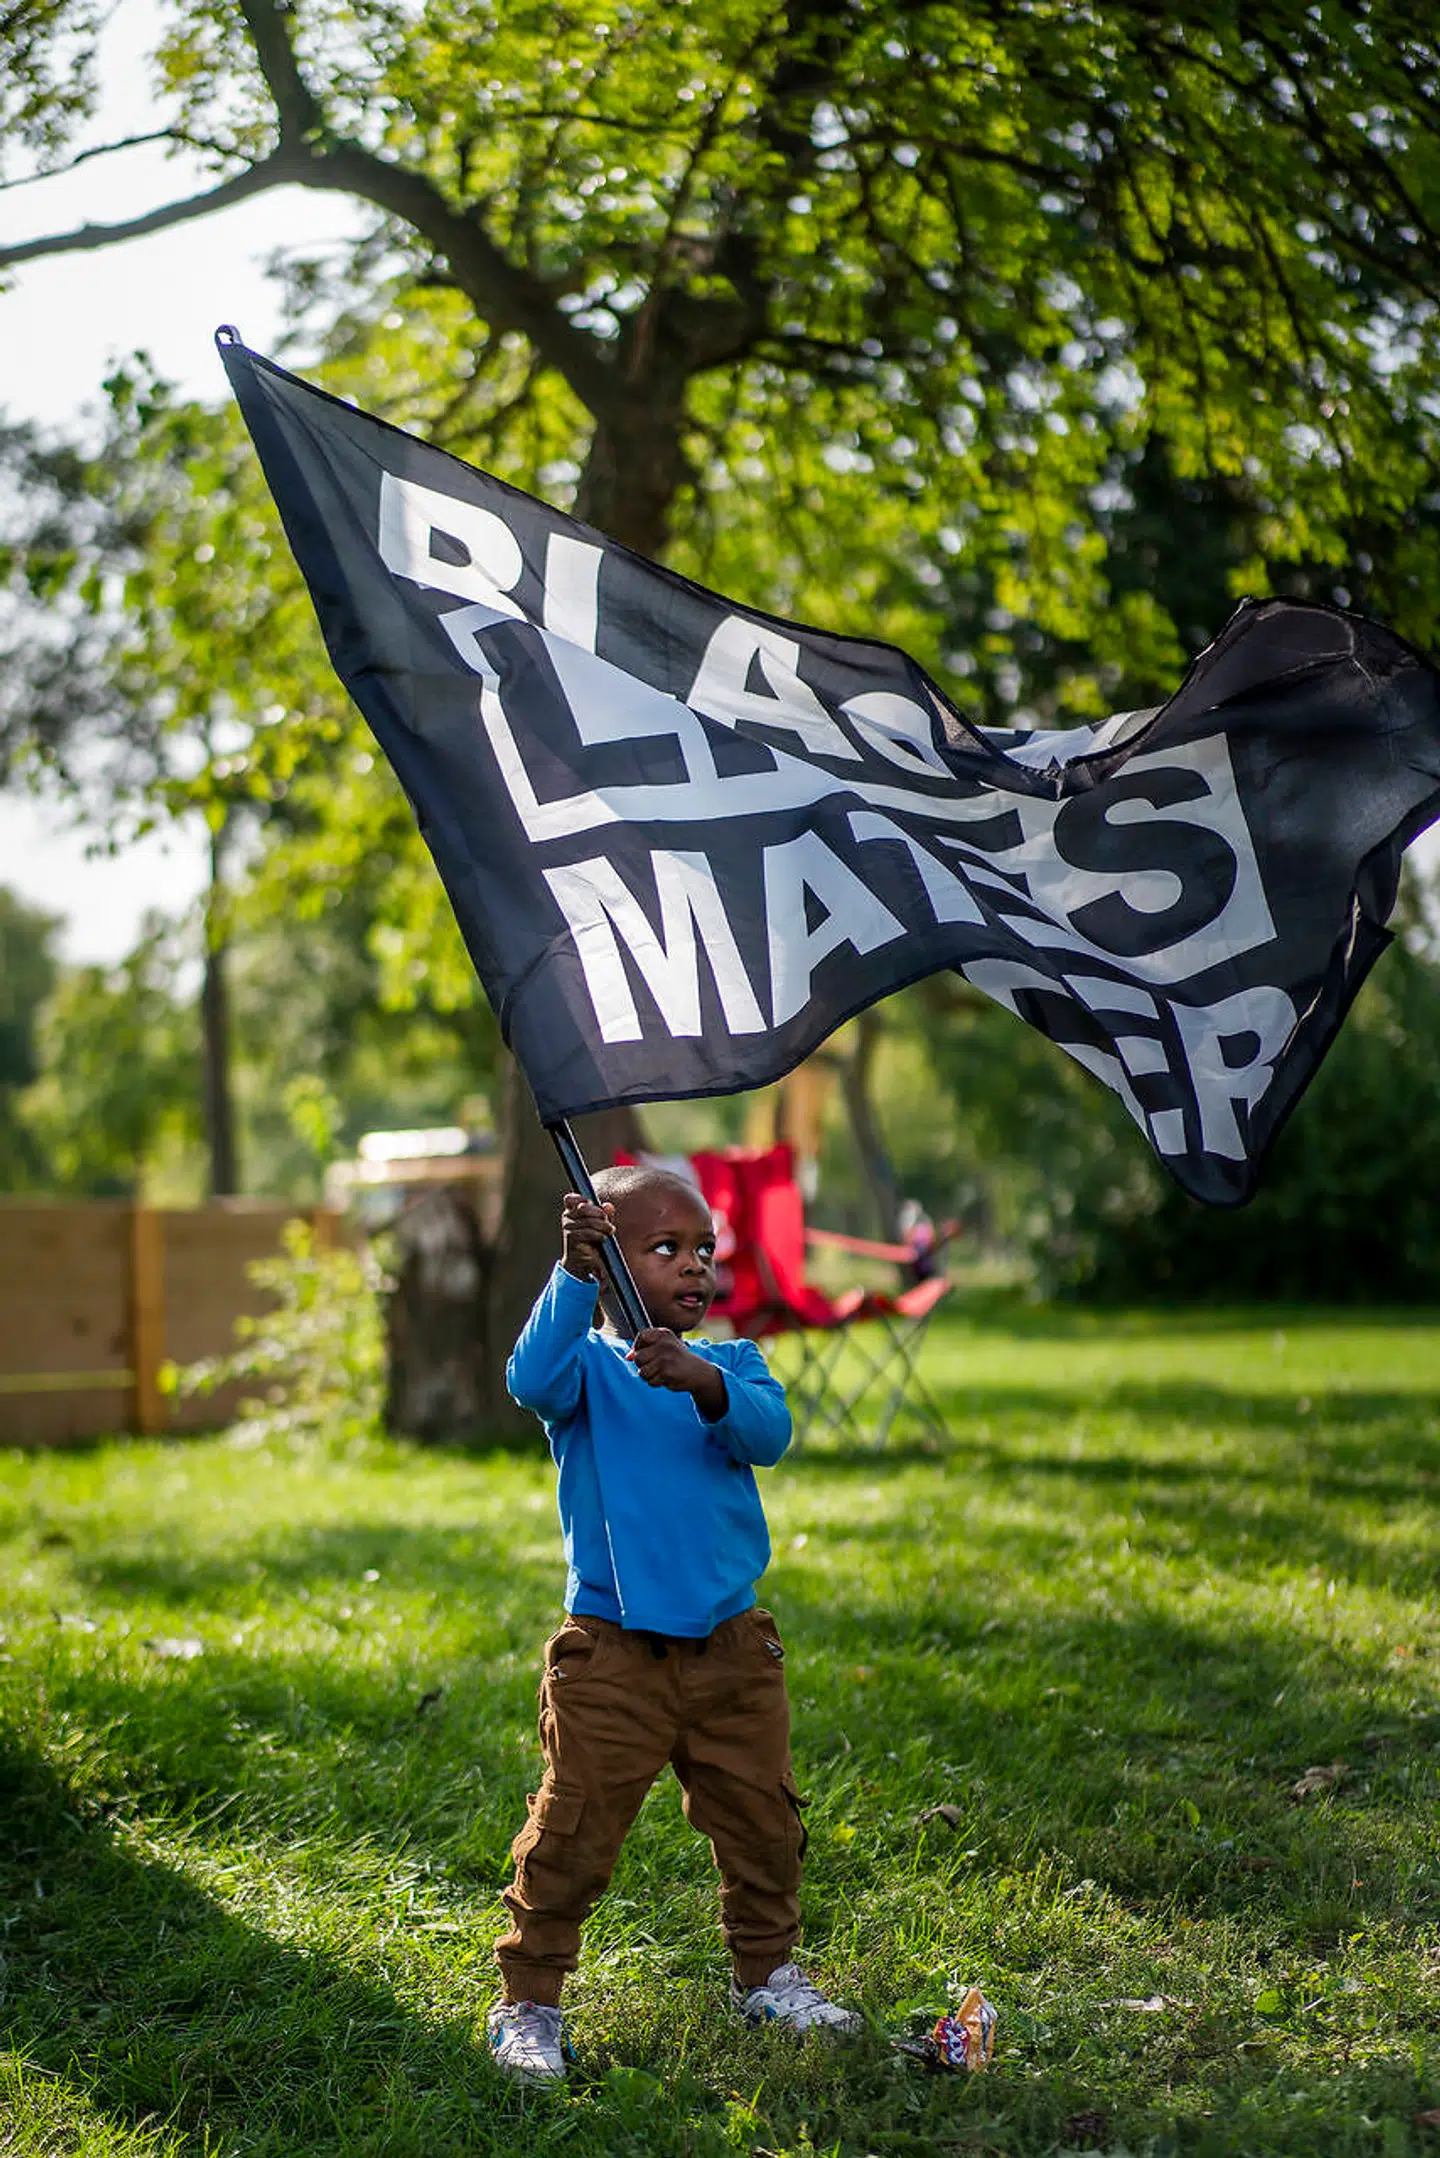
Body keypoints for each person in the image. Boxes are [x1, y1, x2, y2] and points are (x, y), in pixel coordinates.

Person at [487, 1163, 859, 2085]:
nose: (694, 1268)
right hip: (613, 1657)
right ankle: (529, 2000)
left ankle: (768, 1973)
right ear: (612, 1264)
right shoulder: (586, 1375)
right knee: (573, 1830)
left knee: (763, 1824)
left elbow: (768, 1436)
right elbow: (527, 1377)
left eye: (705, 1252)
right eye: (665, 1249)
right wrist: (571, 1276)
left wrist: (702, 1381)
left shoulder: (732, 1366)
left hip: (734, 1652)